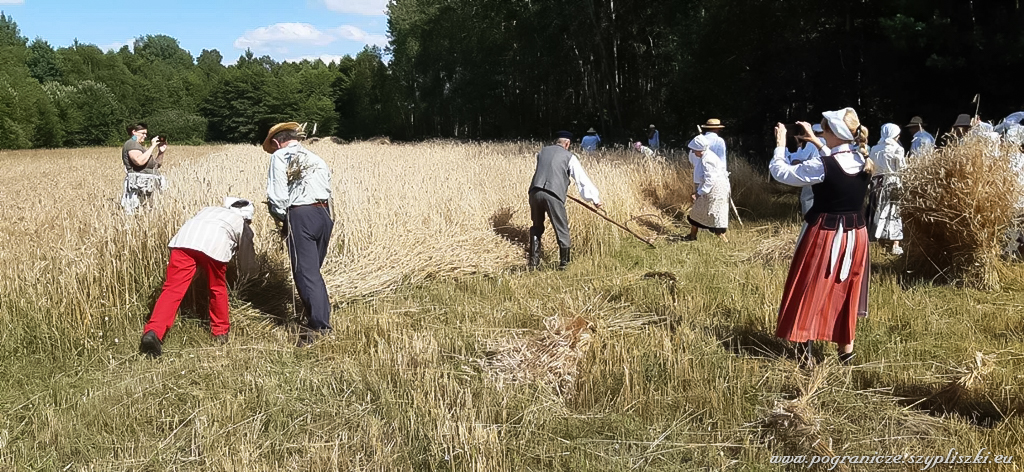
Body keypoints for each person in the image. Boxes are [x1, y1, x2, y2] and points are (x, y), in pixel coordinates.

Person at [768, 107, 873, 368]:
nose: (821, 132)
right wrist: (818, 142)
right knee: (847, 289)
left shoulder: (822, 165)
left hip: (826, 233)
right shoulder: (863, 159)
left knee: (811, 287)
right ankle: (846, 352)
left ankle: (806, 352)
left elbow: (781, 173)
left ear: (833, 133)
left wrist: (780, 144)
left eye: (824, 128)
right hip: (856, 234)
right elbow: (839, 163)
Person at [138, 198, 257, 358]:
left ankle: (153, 332)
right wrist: (253, 277)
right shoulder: (241, 223)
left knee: (172, 290)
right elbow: (248, 264)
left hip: (183, 241)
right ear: (247, 217)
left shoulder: (209, 209)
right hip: (215, 245)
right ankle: (220, 333)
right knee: (217, 288)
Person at [265, 122, 334, 346]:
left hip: (300, 215)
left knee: (305, 272)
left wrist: (282, 219)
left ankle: (318, 327)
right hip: (324, 214)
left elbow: (277, 195)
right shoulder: (316, 158)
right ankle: (316, 316)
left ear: (277, 142)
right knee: (313, 271)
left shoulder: (280, 156)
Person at [528, 131, 602, 270]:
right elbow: (582, 179)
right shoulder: (570, 157)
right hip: (553, 194)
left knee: (537, 227)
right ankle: (564, 263)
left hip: (535, 192)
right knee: (561, 228)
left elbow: (545, 170)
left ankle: (533, 262)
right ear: (567, 143)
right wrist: (595, 199)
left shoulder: (542, 152)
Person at [867, 123, 907, 255]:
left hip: (877, 183)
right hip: (893, 181)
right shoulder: (898, 149)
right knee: (894, 212)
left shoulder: (875, 149)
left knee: (878, 210)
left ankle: (879, 241)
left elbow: (871, 166)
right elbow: (902, 168)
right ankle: (895, 244)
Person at [683, 135, 730, 242]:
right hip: (707, 189)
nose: (694, 153)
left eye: (695, 151)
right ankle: (692, 236)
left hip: (715, 190)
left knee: (714, 215)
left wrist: (699, 193)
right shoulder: (704, 156)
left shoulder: (709, 159)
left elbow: (710, 179)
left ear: (700, 150)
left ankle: (724, 241)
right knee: (696, 213)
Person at [120, 123, 168, 214]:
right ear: (134, 132)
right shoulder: (131, 144)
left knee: (147, 213)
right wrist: (152, 146)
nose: (145, 136)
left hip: (148, 186)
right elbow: (139, 161)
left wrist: (161, 152)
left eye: (146, 134)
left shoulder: (139, 147)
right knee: (138, 212)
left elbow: (156, 165)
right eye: (143, 133)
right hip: (139, 186)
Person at [788, 123, 825, 215]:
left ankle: (808, 217)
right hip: (827, 171)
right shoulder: (829, 142)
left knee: (807, 197)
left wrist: (799, 146)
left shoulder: (812, 143)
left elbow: (801, 157)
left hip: (813, 171)